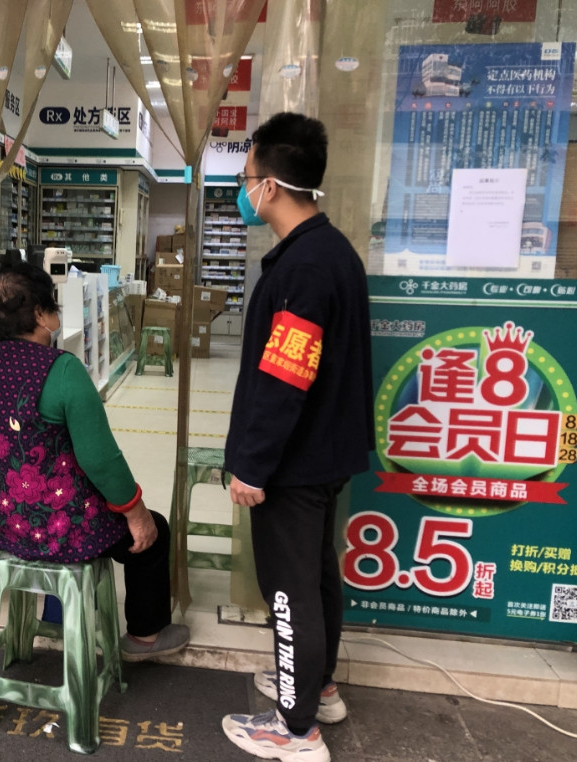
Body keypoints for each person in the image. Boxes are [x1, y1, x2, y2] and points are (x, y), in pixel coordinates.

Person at [220, 113, 374, 761]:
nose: (243, 189)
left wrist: (252, 465)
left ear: (272, 186)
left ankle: (294, 728)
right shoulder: (331, 251)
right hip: (325, 455)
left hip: (293, 462)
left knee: (289, 593)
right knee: (315, 578)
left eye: (246, 177)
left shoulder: (303, 268)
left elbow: (286, 378)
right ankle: (317, 688)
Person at [0, 259, 189, 661]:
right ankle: (145, 637)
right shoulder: (62, 370)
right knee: (154, 533)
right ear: (40, 315)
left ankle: (49, 618)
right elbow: (101, 460)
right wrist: (135, 512)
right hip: (66, 529)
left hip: (4, 528)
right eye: (53, 307)